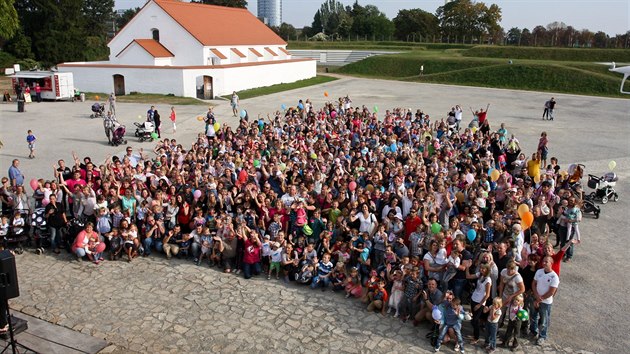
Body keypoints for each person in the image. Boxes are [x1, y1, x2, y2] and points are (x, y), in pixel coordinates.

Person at [530, 256, 559, 345]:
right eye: (543, 261)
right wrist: (536, 296)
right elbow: (534, 284)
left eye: (546, 262)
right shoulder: (539, 271)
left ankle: (542, 336)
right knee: (533, 316)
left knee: (544, 320)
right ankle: (533, 331)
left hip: (545, 302)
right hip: (536, 298)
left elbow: (551, 292)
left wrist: (540, 299)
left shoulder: (554, 277)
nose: (544, 263)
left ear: (551, 263)